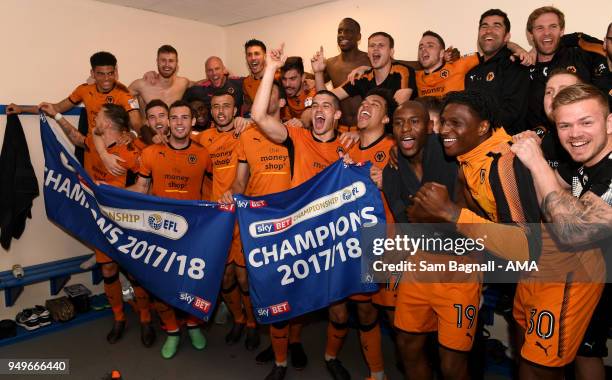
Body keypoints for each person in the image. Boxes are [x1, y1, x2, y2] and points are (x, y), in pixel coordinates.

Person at [410, 90, 604, 380]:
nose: (444, 131)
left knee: (537, 369)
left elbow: (526, 246)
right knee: (529, 359)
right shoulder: (468, 160)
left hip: (563, 272)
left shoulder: (503, 162)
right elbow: (484, 227)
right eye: (443, 123)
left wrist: (450, 213)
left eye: (456, 123)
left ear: (483, 127)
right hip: (529, 273)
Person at [251, 43, 350, 380]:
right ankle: (280, 364)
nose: (320, 109)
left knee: (338, 312)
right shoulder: (297, 137)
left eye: (327, 106)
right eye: (316, 104)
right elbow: (259, 117)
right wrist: (270, 68)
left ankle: (332, 357)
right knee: (282, 306)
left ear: (337, 115)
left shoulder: (351, 144)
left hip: (335, 240)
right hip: (297, 237)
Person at [512, 83, 611, 380]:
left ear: (609, 122)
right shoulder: (584, 159)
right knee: (580, 350)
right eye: (565, 125)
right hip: (593, 271)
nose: (575, 134)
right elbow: (556, 193)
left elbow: (571, 230)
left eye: (586, 122)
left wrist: (537, 162)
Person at [38, 103, 155, 347]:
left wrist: (113, 193)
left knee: (135, 272)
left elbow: (147, 189)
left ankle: (145, 319)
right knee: (108, 270)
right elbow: (78, 138)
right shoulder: (96, 142)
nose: (95, 120)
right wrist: (57, 115)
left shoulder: (134, 151)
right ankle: (119, 318)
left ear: (109, 123)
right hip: (101, 224)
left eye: (99, 117)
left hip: (127, 224)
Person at [128, 100, 211, 359]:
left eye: (184, 118)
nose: (178, 123)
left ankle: (194, 325)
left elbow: (212, 191)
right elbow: (141, 190)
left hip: (194, 231)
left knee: (193, 283)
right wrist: (104, 192)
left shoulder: (203, 154)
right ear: (168, 122)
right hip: (161, 230)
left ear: (193, 122)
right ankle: (173, 331)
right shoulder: (151, 153)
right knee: (161, 285)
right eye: (174, 118)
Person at [328, 88, 397, 380]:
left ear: (387, 118)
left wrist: (389, 182)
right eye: (363, 102)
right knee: (352, 309)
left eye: (375, 104)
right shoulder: (343, 146)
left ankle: (386, 370)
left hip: (386, 244)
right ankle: (341, 360)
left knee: (394, 317)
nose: (365, 106)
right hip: (348, 243)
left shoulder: (396, 148)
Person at [196, 89, 260, 352]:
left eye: (226, 106)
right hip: (216, 221)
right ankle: (239, 320)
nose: (221, 111)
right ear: (211, 112)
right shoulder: (201, 139)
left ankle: (254, 324)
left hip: (242, 217)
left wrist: (252, 121)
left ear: (236, 111)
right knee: (224, 279)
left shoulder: (248, 132)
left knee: (245, 278)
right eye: (215, 107)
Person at [7, 51, 141, 175]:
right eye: (101, 73)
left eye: (110, 73)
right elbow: (57, 108)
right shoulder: (83, 90)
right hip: (91, 149)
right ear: (93, 73)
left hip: (116, 153)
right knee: (92, 192)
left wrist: (133, 134)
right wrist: (22, 109)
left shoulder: (124, 93)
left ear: (116, 72)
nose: (107, 78)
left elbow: (137, 123)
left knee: (115, 194)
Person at [312, 32, 417, 112]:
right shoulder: (362, 77)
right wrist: (318, 73)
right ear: (368, 53)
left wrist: (362, 130)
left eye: (381, 45)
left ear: (391, 52)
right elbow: (325, 97)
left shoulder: (403, 72)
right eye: (372, 46)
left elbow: (396, 110)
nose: (375, 49)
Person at [465, 9, 531, 134]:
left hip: (507, 143)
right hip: (475, 139)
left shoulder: (515, 65)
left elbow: (511, 113)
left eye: (497, 26)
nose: (489, 30)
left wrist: (477, 129)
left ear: (507, 36)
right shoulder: (471, 73)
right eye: (484, 26)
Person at [320, 18, 372, 126]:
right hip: (340, 129)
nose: (342, 35)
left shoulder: (370, 59)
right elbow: (317, 85)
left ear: (359, 36)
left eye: (348, 31)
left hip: (367, 128)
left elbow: (396, 65)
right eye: (340, 31)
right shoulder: (330, 63)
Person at [128, 45, 191, 116]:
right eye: (163, 60)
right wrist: (136, 116)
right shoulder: (142, 85)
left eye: (171, 61)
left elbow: (202, 83)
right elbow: (122, 98)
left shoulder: (183, 82)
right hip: (148, 127)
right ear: (157, 61)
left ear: (176, 63)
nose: (167, 64)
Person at [280, 57, 315, 128]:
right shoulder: (279, 85)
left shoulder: (311, 91)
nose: (287, 84)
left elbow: (309, 112)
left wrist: (301, 122)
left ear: (302, 77)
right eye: (284, 79)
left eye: (292, 79)